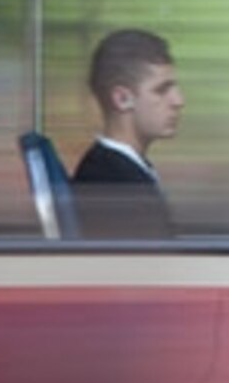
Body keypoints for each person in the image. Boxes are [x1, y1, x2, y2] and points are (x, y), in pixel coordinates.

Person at [69, 26, 184, 240]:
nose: (178, 101)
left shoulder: (116, 169)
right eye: (162, 90)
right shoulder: (114, 186)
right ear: (122, 99)